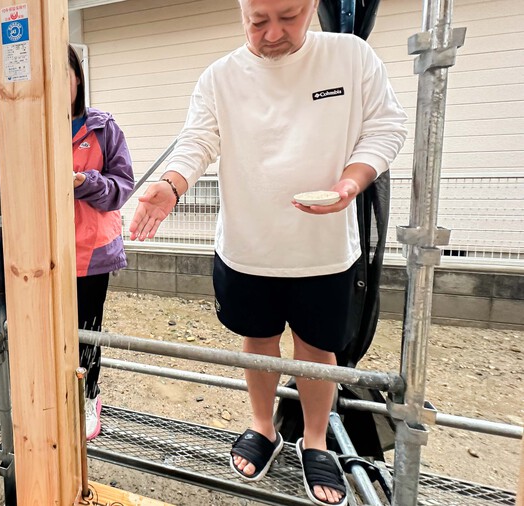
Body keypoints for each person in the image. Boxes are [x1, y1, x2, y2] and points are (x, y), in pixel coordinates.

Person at [128, 1, 407, 504]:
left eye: (289, 16)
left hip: (324, 250)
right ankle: (263, 426)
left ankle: (315, 439)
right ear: (242, 13)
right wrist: (171, 185)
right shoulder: (220, 77)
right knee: (257, 340)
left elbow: (386, 128)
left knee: (317, 349)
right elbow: (198, 140)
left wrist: (351, 181)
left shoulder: (351, 57)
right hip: (246, 246)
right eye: (258, 21)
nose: (272, 33)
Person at [68, 44, 135, 441]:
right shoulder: (31, 125)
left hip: (90, 251)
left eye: (64, 74)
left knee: (87, 329)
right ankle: (58, 395)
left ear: (77, 77)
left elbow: (123, 186)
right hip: (44, 253)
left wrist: (84, 181)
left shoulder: (102, 127)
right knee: (49, 330)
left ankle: (90, 396)